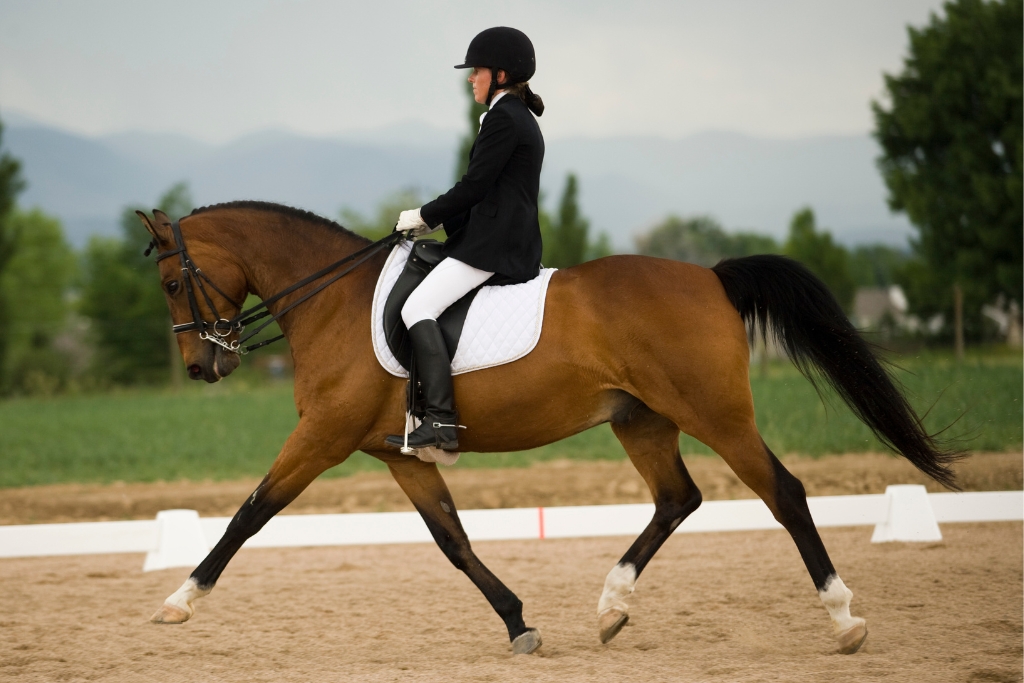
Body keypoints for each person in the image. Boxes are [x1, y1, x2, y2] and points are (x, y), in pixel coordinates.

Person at [385, 26, 546, 452]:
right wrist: (430, 223)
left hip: (494, 246)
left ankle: (440, 420)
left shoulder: (504, 119)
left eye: (476, 71)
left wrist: (423, 215)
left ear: (500, 74)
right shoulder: (513, 116)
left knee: (417, 305)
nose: (470, 78)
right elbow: (484, 191)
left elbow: (474, 187)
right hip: (500, 238)